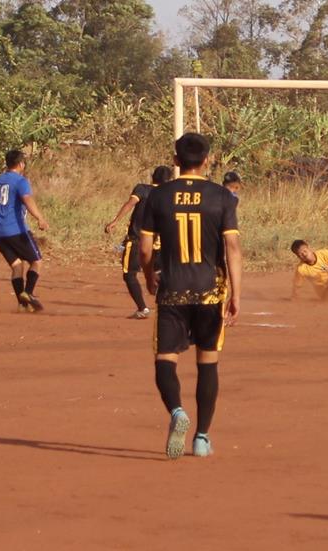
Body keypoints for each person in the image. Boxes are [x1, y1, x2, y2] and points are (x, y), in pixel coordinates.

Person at [140, 133, 241, 460]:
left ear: (175, 159)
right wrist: (236, 294)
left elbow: (144, 248)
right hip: (210, 292)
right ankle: (201, 437)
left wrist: (148, 278)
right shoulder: (223, 197)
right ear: (208, 160)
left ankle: (177, 412)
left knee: (165, 360)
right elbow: (233, 248)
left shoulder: (158, 196)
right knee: (207, 363)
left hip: (172, 290)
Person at [104, 166, 173, 319]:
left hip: (137, 240)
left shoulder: (142, 189)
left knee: (129, 274)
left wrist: (115, 221)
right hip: (158, 242)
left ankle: (142, 308)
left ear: (152, 177)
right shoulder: (168, 195)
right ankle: (174, 304)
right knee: (160, 272)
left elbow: (130, 204)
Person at [0, 150, 49, 312]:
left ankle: (22, 305)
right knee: (36, 261)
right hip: (16, 230)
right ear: (21, 164)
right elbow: (28, 199)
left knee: (17, 266)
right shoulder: (20, 181)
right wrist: (40, 218)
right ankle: (28, 293)